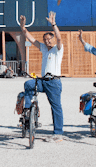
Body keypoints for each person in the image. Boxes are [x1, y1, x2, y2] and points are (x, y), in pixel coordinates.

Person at [20, 12, 66, 142]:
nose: (47, 41)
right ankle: (29, 111)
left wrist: (53, 24)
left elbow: (59, 37)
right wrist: (23, 27)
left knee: (56, 106)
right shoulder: (44, 48)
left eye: (49, 39)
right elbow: (30, 38)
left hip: (54, 82)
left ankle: (58, 134)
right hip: (43, 80)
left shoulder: (58, 49)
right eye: (45, 39)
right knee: (28, 84)